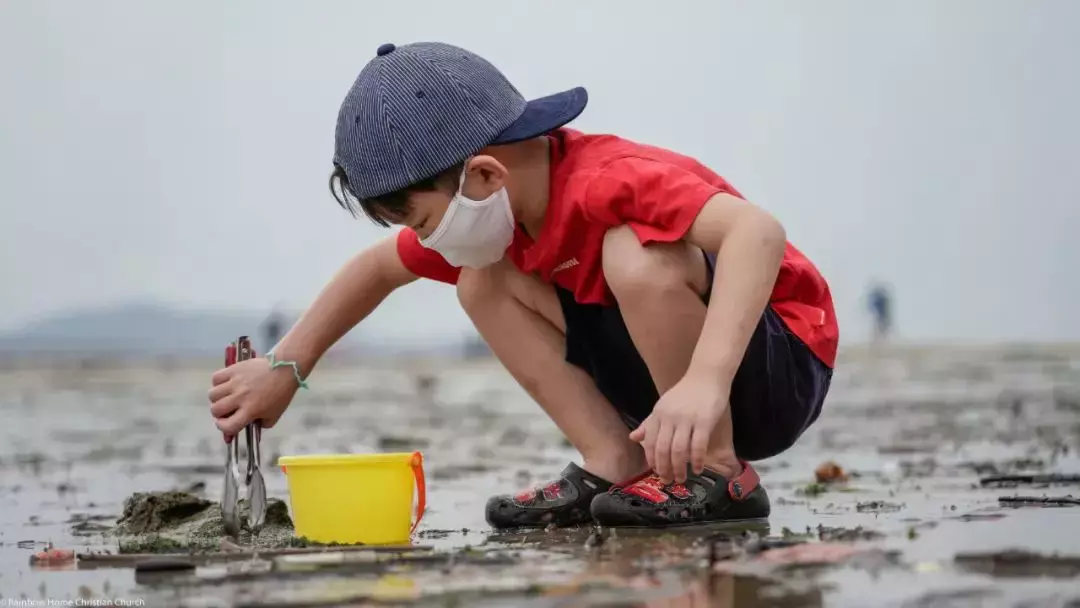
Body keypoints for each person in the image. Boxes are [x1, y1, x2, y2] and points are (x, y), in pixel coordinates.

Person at [208, 41, 838, 529]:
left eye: (424, 223)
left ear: (483, 174)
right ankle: (615, 461)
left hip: (770, 368)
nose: (425, 243)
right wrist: (284, 366)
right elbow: (377, 269)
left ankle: (719, 472)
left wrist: (705, 381)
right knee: (479, 284)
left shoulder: (606, 179)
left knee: (633, 253)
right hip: (666, 406)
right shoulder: (505, 222)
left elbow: (757, 232)